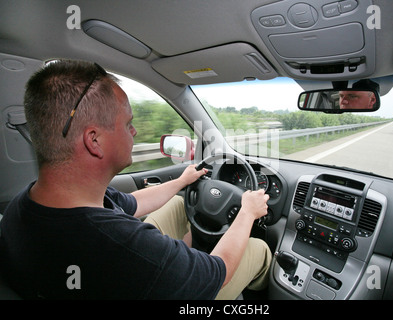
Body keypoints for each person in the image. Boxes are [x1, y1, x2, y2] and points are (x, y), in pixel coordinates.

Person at [0, 60, 271, 299]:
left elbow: (130, 203)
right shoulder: (122, 247)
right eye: (128, 123)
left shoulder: (20, 207)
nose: (135, 131)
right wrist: (247, 212)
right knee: (258, 248)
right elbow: (218, 271)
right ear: (94, 140)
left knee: (178, 205)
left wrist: (180, 181)